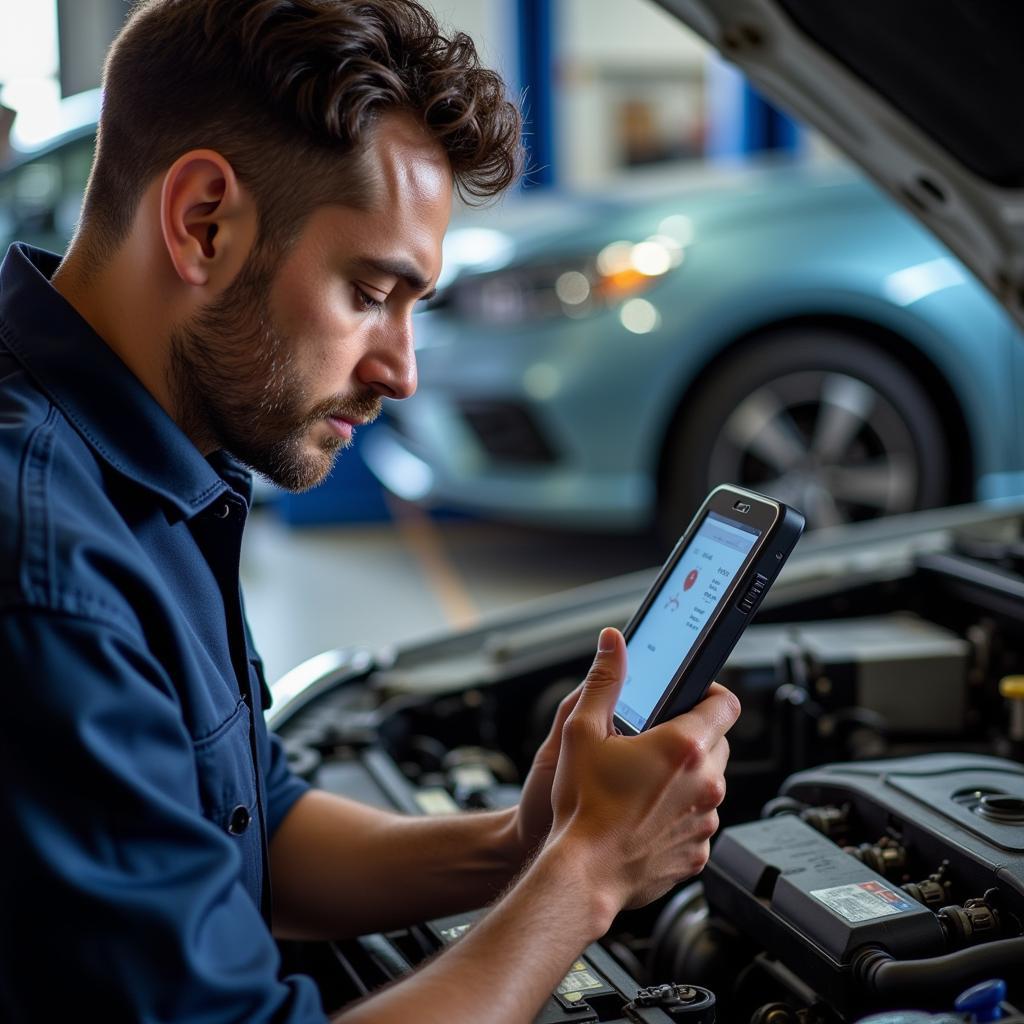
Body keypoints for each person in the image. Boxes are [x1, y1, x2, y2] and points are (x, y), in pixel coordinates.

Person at [0, 1, 740, 1020]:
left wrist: (527, 838)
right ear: (202, 222)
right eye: (369, 290)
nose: (399, 370)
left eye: (413, 303)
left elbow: (257, 829)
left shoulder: (141, 464)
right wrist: (587, 878)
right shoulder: (45, 569)